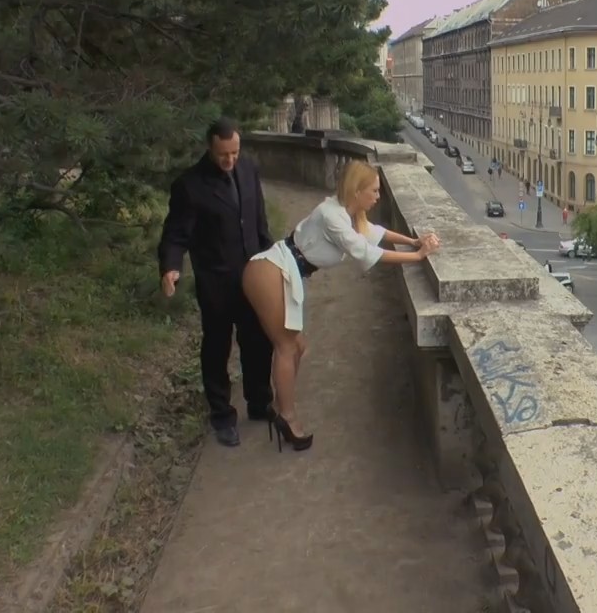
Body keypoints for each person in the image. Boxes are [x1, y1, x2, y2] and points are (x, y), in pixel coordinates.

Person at [241, 160, 441, 451]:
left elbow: (375, 232)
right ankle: (286, 416)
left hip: (285, 271)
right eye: (374, 191)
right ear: (357, 191)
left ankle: (282, 406)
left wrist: (413, 241)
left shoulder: (347, 214)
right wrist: (418, 256)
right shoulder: (331, 215)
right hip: (271, 270)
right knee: (287, 347)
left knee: (298, 347)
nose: (378, 197)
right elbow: (366, 252)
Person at [159, 118, 275, 448]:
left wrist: (272, 259)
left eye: (235, 152)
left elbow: (259, 222)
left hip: (253, 275)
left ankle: (259, 401)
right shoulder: (190, 185)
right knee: (217, 347)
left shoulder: (248, 170)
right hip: (216, 282)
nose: (230, 160)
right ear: (210, 148)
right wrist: (170, 267)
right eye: (224, 154)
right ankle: (222, 415)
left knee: (258, 341)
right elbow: (175, 233)